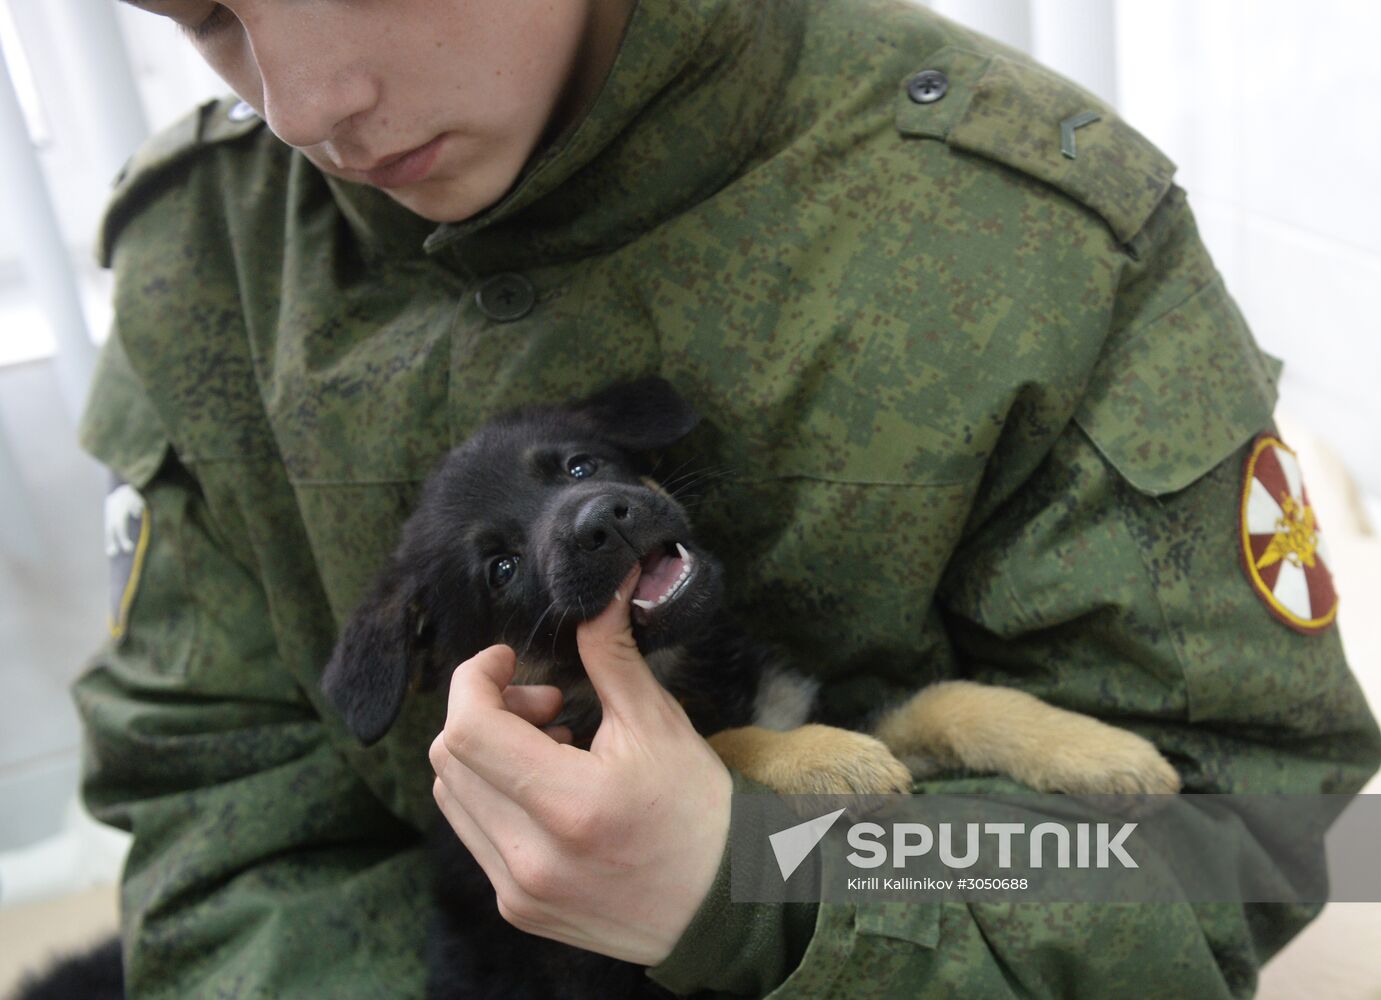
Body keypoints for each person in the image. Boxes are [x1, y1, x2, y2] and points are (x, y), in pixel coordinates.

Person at [77, 0, 1380, 997]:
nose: (307, 104)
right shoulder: (207, 259)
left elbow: (1234, 838)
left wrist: (758, 878)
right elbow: (218, 822)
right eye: (206, 16)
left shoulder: (1022, 219)